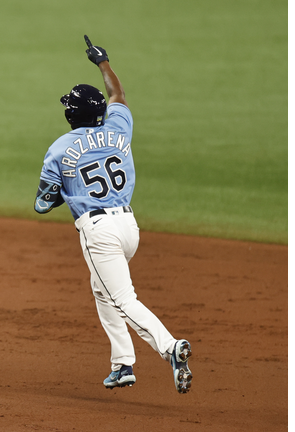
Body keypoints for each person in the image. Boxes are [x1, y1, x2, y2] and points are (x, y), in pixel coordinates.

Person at [33, 36, 193, 394]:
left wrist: (67, 189)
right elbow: (118, 95)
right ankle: (123, 364)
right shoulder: (119, 127)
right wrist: (102, 62)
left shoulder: (59, 149)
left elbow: (42, 203)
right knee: (101, 290)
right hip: (129, 228)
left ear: (70, 116)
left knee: (123, 298)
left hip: (99, 232)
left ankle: (170, 349)